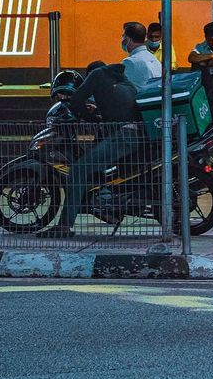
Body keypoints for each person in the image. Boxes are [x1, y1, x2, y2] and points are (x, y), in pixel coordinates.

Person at [51, 59, 143, 236]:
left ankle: (64, 226)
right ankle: (105, 205)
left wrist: (88, 117)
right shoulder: (119, 78)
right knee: (96, 158)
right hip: (134, 133)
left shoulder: (97, 74)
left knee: (79, 169)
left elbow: (77, 100)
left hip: (124, 136)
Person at [121, 20, 162, 92]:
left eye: (123, 36)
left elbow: (123, 91)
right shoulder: (154, 59)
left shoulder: (130, 62)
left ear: (128, 40)